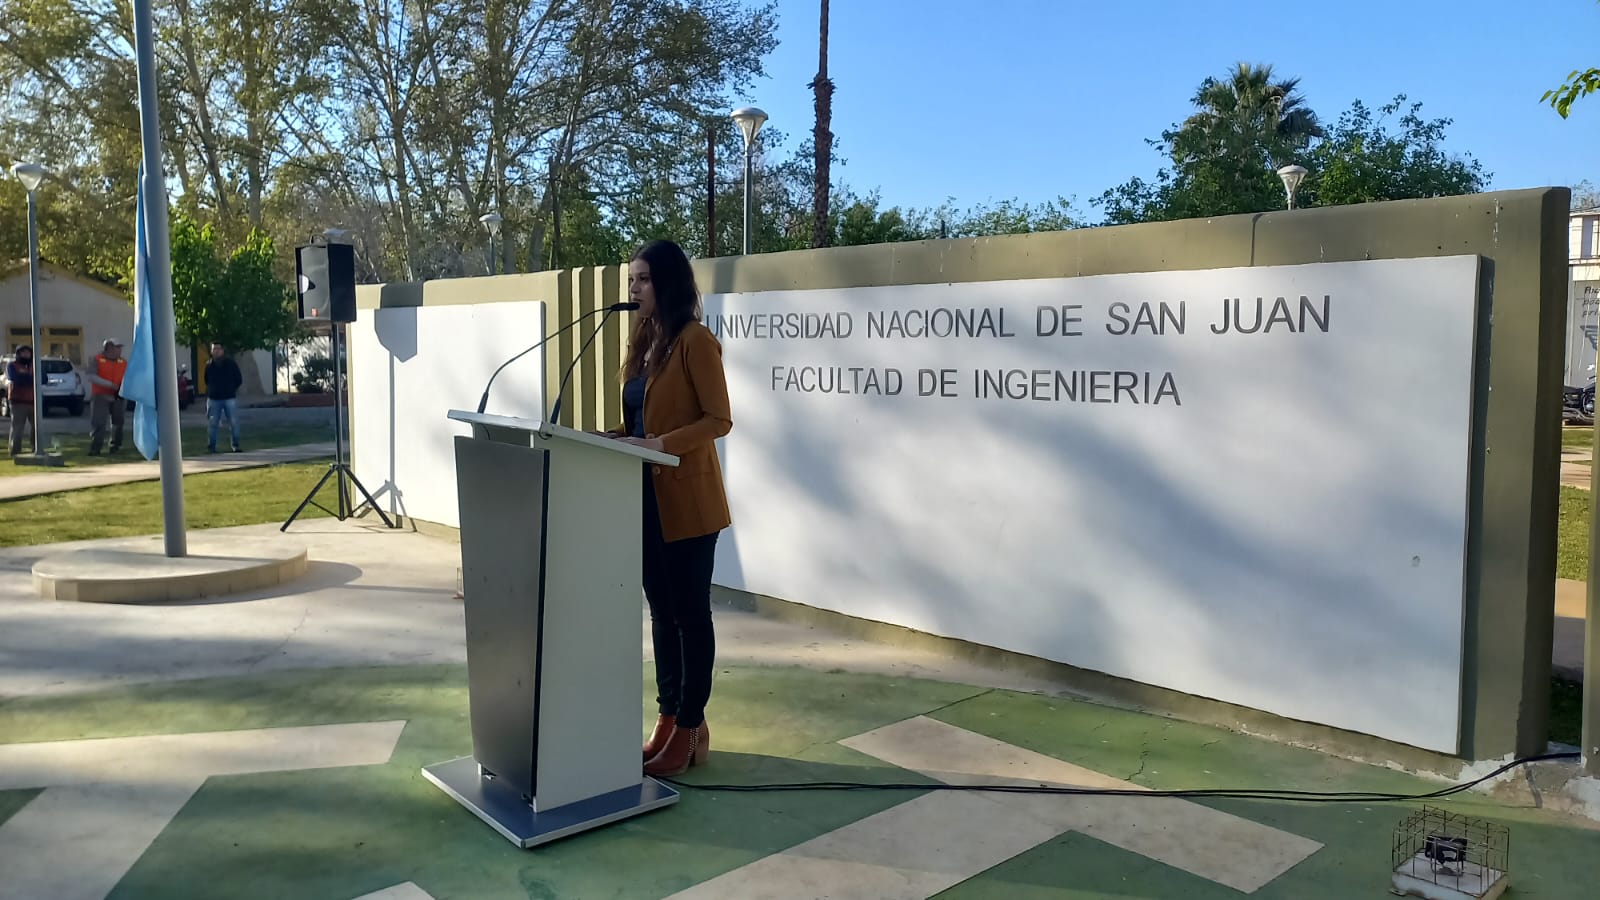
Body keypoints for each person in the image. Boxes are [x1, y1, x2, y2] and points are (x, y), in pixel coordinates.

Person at [602, 239, 733, 777]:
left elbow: (717, 420)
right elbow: (640, 424)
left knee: (689, 616)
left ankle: (690, 724)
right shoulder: (645, 343)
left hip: (689, 503)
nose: (632, 290)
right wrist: (609, 438)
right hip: (644, 501)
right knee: (661, 614)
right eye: (631, 281)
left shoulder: (695, 342)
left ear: (668, 284)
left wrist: (658, 446)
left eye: (642, 280)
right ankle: (670, 716)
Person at [85, 338, 126, 455]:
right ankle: (95, 448)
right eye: (117, 347)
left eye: (120, 348)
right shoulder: (96, 359)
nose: (120, 350)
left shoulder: (123, 362)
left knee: (118, 422)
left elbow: (128, 377)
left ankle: (115, 447)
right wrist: (110, 385)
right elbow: (90, 376)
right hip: (101, 395)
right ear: (109, 348)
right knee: (98, 423)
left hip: (118, 396)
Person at [204, 343, 243, 453]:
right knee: (213, 424)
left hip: (229, 398)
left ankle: (236, 445)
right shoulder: (209, 365)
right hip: (213, 399)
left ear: (222, 350)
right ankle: (212, 447)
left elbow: (238, 379)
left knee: (234, 422)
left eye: (218, 349)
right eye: (214, 349)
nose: (216, 351)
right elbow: (206, 380)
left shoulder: (231, 364)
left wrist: (231, 389)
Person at [6, 345, 35, 456]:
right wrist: (31, 379)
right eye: (23, 352)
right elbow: (15, 378)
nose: (26, 355)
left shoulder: (34, 366)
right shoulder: (12, 365)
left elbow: (44, 378)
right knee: (17, 428)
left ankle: (35, 448)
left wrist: (27, 379)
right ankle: (15, 451)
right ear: (18, 354)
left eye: (28, 353)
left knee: (36, 427)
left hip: (33, 402)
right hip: (17, 401)